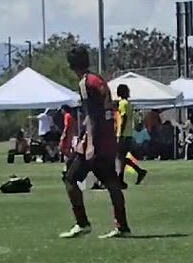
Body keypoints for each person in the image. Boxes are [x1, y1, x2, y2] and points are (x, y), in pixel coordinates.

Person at [60, 45, 130, 239]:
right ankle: (122, 226)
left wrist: (89, 143)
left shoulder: (85, 83)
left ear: (71, 65)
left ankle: (82, 223)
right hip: (107, 138)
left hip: (96, 140)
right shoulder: (98, 79)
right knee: (111, 182)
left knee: (70, 179)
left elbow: (92, 115)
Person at [114, 84, 148, 186]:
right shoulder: (129, 104)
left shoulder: (122, 103)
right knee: (122, 157)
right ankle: (130, 175)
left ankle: (122, 178)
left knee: (119, 157)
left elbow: (123, 118)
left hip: (123, 134)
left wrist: (120, 133)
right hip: (129, 134)